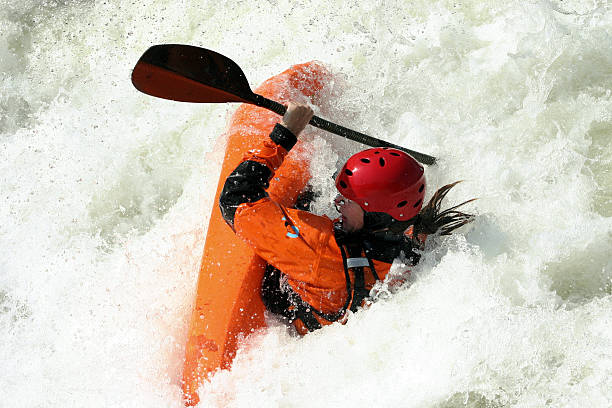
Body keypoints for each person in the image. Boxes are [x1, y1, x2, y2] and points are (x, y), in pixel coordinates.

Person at [219, 103, 474, 334]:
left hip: (294, 316)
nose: (337, 202)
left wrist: (286, 134)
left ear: (376, 215)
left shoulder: (320, 246)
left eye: (349, 201)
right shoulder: (415, 241)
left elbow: (234, 198)